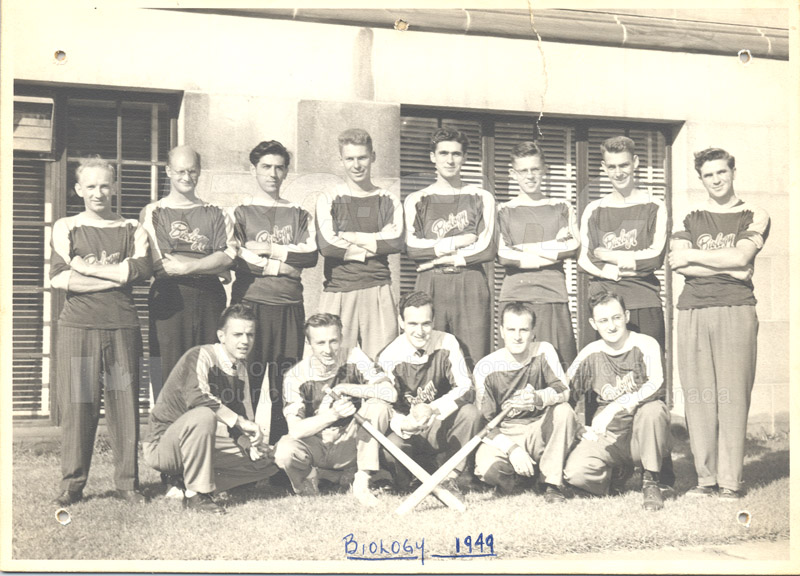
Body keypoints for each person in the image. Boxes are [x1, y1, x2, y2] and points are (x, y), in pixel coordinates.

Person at [668, 148, 770, 500]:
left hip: (736, 310)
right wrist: (728, 266)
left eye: (721, 172)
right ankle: (705, 481)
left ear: (733, 171)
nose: (716, 180)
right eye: (709, 175)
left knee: (732, 397)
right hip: (693, 310)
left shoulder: (753, 213)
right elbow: (677, 264)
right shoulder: (690, 216)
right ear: (701, 179)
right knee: (698, 397)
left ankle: (730, 483)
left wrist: (695, 255)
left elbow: (742, 257)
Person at [51, 157, 150, 505]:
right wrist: (112, 275)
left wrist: (85, 269)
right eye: (90, 186)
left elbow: (136, 272)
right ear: (79, 190)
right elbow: (60, 278)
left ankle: (127, 483)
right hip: (79, 327)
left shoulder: (131, 228)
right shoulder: (67, 226)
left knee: (124, 404)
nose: (98, 192)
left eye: (105, 185)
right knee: (79, 405)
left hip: (121, 327)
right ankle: (73, 483)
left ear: (115, 187)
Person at [576, 135, 673, 486]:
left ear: (636, 165)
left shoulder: (654, 206)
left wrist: (611, 255)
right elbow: (586, 257)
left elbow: (655, 256)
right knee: (596, 382)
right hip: (604, 303)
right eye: (611, 166)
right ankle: (604, 458)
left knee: (648, 381)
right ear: (604, 168)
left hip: (644, 301)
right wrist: (616, 270)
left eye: (624, 165)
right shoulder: (595, 209)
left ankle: (658, 466)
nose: (618, 172)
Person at [143, 304, 277, 515]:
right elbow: (197, 397)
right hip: (162, 445)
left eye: (250, 335)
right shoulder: (200, 355)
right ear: (221, 335)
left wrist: (249, 444)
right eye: (238, 334)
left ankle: (185, 481)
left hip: (198, 444)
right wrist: (241, 423)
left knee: (270, 460)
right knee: (204, 415)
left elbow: (239, 418)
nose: (245, 341)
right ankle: (196, 495)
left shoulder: (241, 368)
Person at [231, 140, 318, 444]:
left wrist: (268, 248)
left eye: (279, 167)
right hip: (251, 305)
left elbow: (309, 256)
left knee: (285, 386)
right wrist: (282, 266)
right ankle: (245, 459)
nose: (273, 173)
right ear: (253, 168)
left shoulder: (299, 213)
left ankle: (282, 459)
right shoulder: (239, 212)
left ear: (286, 171)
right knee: (247, 384)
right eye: (266, 166)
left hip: (289, 307)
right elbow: (239, 257)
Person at [140, 145, 237, 401]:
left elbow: (227, 255)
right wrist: (211, 264)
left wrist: (188, 265)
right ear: (168, 171)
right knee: (169, 371)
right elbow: (161, 262)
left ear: (200, 172)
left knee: (209, 368)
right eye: (180, 171)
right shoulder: (154, 212)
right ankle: (167, 434)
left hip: (209, 298)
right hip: (170, 297)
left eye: (192, 171)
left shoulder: (216, 212)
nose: (186, 177)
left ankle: (207, 433)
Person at [563, 291, 670, 511]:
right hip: (610, 435)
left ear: (627, 316)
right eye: (603, 320)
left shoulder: (645, 343)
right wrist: (577, 428)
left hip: (642, 434)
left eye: (616, 317)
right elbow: (564, 393)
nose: (611, 326)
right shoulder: (590, 353)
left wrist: (616, 405)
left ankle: (650, 481)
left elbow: (658, 384)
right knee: (575, 474)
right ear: (593, 323)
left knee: (653, 410)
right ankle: (616, 475)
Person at [274, 313, 395, 507]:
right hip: (318, 444)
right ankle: (318, 477)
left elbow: (390, 393)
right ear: (309, 343)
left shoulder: (354, 356)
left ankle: (362, 480)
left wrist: (348, 388)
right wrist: (333, 414)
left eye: (333, 341)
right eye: (320, 343)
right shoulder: (295, 376)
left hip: (352, 442)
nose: (328, 350)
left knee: (378, 406)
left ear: (341, 338)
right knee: (284, 451)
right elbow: (295, 430)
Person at [404, 126, 496, 367]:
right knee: (427, 353)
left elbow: (486, 249)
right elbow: (413, 249)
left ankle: (475, 404)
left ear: (464, 157)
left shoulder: (480, 197)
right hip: (431, 282)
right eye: (443, 153)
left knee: (473, 355)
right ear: (433, 156)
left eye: (456, 154)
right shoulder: (417, 199)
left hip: (470, 280)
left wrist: (438, 256)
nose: (450, 159)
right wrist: (456, 243)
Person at [473, 302, 579, 502]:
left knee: (563, 410)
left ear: (533, 332)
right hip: (506, 432)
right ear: (502, 331)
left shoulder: (544, 351)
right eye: (511, 329)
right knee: (488, 470)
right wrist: (512, 449)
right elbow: (486, 422)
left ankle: (551, 484)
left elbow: (563, 392)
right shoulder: (486, 367)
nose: (517, 336)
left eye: (524, 329)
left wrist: (538, 397)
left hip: (537, 430)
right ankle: (526, 477)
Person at [377, 291, 482, 493]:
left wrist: (433, 408)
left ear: (434, 321)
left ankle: (450, 477)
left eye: (426, 323)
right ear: (401, 322)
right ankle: (410, 480)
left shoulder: (448, 342)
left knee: (470, 413)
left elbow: (466, 387)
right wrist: (404, 424)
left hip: (438, 425)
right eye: (412, 324)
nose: (420, 331)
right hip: (408, 430)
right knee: (390, 448)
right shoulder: (388, 355)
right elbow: (386, 406)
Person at [315, 128, 404, 359]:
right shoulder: (329, 197)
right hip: (339, 290)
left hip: (378, 288)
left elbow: (395, 242)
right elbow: (328, 246)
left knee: (383, 362)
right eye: (350, 159)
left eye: (362, 157)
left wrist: (350, 236)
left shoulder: (388, 199)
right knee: (334, 363)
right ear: (341, 160)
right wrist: (375, 242)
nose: (357, 165)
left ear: (372, 156)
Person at [497, 141, 579, 369]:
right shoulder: (503, 210)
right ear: (513, 174)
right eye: (523, 170)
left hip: (553, 294)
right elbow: (504, 255)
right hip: (515, 294)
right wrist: (552, 247)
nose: (530, 175)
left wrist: (524, 247)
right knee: (514, 367)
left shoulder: (561, 206)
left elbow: (572, 247)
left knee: (557, 365)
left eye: (535, 169)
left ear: (544, 170)